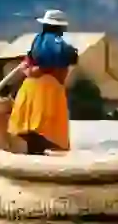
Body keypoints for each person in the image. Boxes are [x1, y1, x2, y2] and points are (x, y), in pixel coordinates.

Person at [7, 9, 79, 155]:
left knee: (32, 130)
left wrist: (32, 69)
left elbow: (30, 62)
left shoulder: (37, 40)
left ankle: (33, 155)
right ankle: (39, 158)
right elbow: (69, 56)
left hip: (30, 88)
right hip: (47, 90)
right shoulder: (56, 42)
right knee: (43, 131)